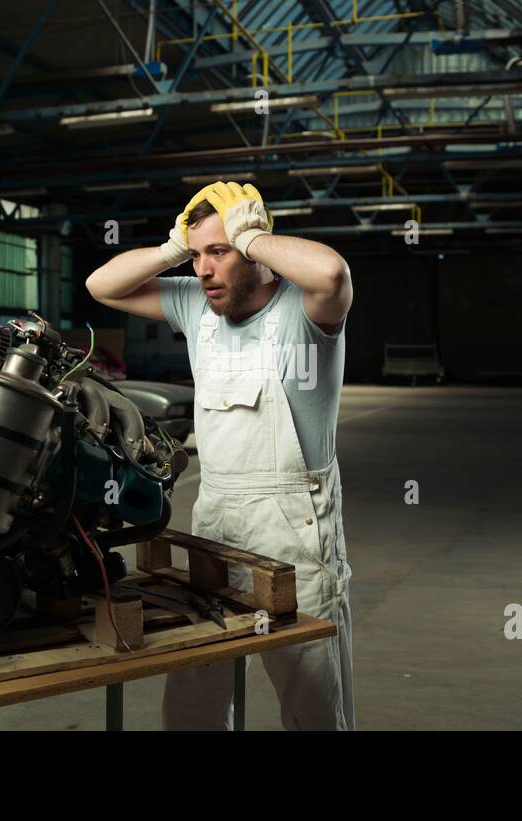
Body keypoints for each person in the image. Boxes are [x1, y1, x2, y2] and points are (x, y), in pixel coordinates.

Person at [85, 181, 354, 730]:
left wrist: (249, 237)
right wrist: (175, 247)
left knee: (312, 705)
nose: (204, 270)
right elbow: (101, 286)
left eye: (219, 252)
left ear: (255, 250)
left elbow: (332, 273)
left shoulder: (306, 309)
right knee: (194, 702)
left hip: (294, 539)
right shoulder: (195, 306)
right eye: (198, 255)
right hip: (216, 527)